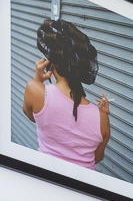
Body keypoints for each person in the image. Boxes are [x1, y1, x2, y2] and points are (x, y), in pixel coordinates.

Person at [23, 18, 109, 170]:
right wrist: (103, 115)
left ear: (51, 63)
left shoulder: (35, 90)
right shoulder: (102, 118)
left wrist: (37, 80)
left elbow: (31, 115)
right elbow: (96, 157)